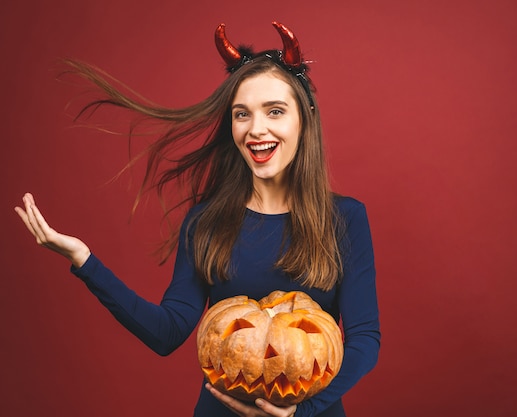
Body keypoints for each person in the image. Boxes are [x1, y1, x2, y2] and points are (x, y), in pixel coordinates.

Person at [15, 22, 380, 417]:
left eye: (275, 111)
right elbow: (167, 332)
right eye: (242, 114)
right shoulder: (205, 220)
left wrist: (302, 413)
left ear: (304, 118)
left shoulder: (344, 219)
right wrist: (84, 260)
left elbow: (363, 339)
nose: (257, 129)